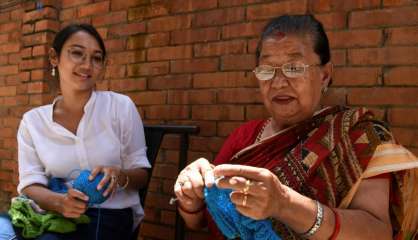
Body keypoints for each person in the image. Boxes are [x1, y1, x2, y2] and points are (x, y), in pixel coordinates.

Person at [174, 14, 418, 240]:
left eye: (294, 68)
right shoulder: (245, 137)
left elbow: (378, 232)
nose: (279, 82)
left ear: (325, 75)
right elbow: (201, 223)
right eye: (267, 70)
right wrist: (191, 199)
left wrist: (285, 204)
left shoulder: (357, 137)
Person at [5, 23, 150, 240]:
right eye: (77, 53)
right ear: (54, 57)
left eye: (96, 58)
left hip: (110, 215)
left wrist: (120, 176)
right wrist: (59, 202)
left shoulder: (120, 107)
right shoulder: (33, 122)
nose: (87, 65)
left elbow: (141, 173)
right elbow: (30, 183)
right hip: (51, 212)